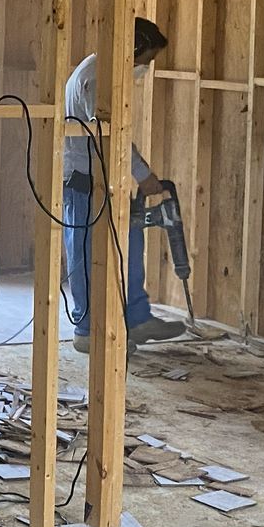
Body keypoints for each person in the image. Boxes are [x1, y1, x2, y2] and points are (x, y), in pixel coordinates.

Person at [64, 18, 182, 353]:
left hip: (108, 179)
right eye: (147, 60)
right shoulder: (95, 76)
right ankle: (87, 330)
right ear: (133, 48)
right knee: (85, 255)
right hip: (84, 182)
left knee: (129, 243)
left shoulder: (108, 74)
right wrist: (143, 175)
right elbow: (111, 137)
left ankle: (136, 319)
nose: (145, 68)